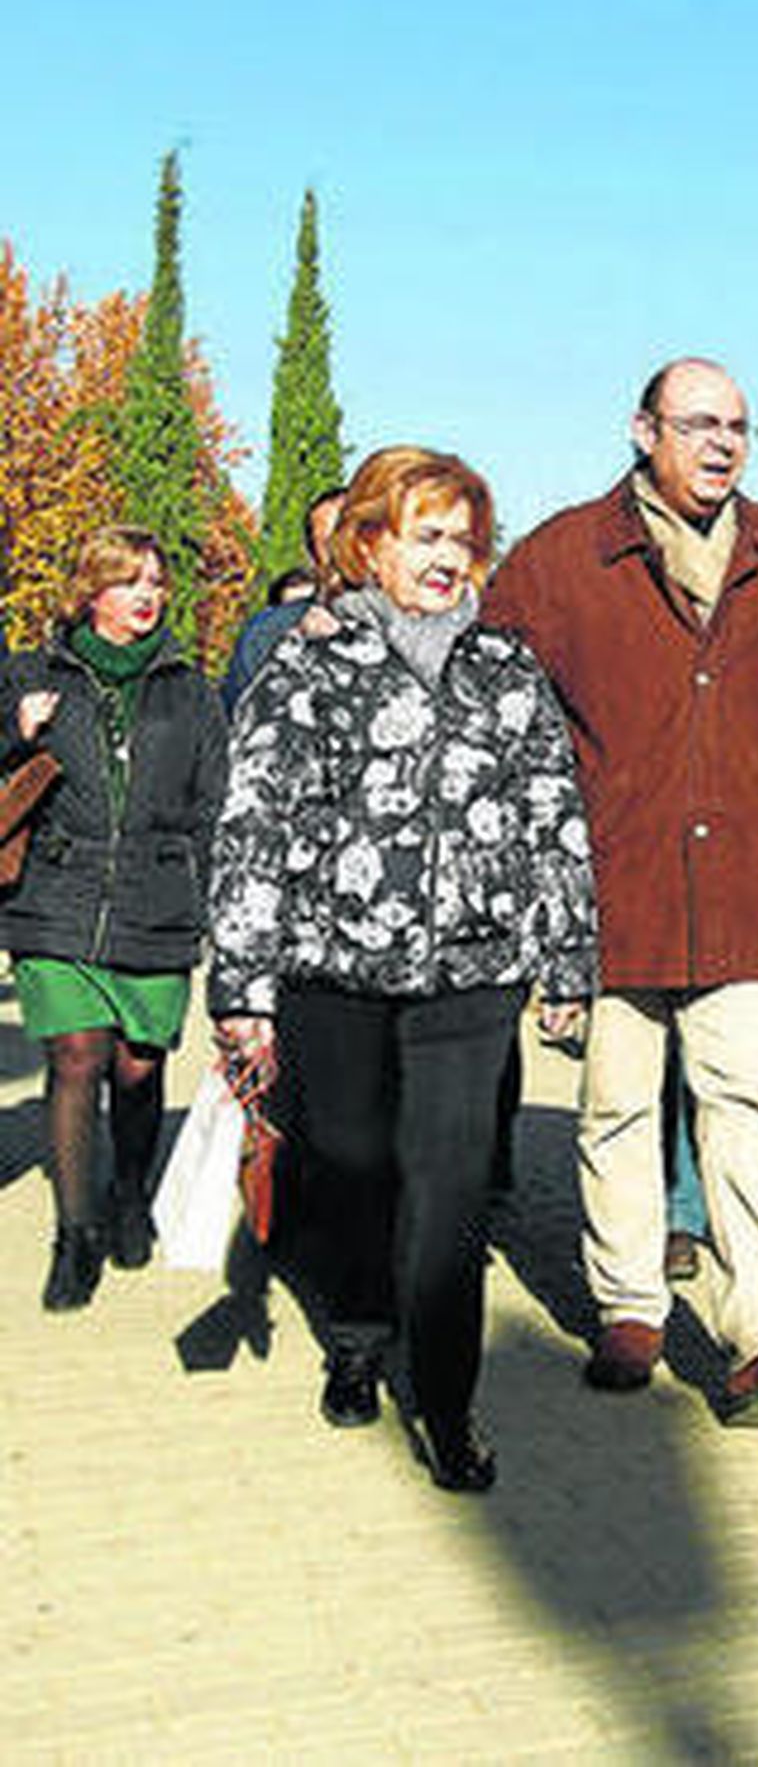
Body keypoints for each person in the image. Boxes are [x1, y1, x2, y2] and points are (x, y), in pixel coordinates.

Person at [483, 356, 758, 1426]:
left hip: (749, 885)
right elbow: (482, 682)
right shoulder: (564, 558)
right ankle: (628, 1306)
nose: (721, 444)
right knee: (617, 1109)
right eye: (697, 423)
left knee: (747, 1112)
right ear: (642, 430)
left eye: (738, 427)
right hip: (614, 886)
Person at [209, 447, 596, 1492]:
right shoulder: (308, 665)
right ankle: (357, 1335)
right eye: (425, 536)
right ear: (370, 544)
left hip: (472, 977)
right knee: (352, 1161)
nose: (448, 559)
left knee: (452, 1185)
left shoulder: (508, 670)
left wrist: (566, 961)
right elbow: (253, 826)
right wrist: (241, 987)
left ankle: (449, 1397)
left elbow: (553, 817)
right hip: (334, 971)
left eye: (464, 540)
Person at [0, 527, 228, 1310]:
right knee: (75, 1055)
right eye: (129, 580)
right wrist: (14, 729)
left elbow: (212, 804)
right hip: (56, 896)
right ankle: (76, 1234)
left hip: (156, 898)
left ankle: (131, 1191)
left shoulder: (190, 690)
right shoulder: (33, 674)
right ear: (89, 589)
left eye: (156, 582)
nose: (146, 594)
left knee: (137, 1064)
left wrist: (215, 903)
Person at [219, 487, 344, 715]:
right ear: (313, 559)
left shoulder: (416, 626)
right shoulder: (267, 635)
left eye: (357, 535)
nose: (346, 551)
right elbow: (236, 727)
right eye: (330, 543)